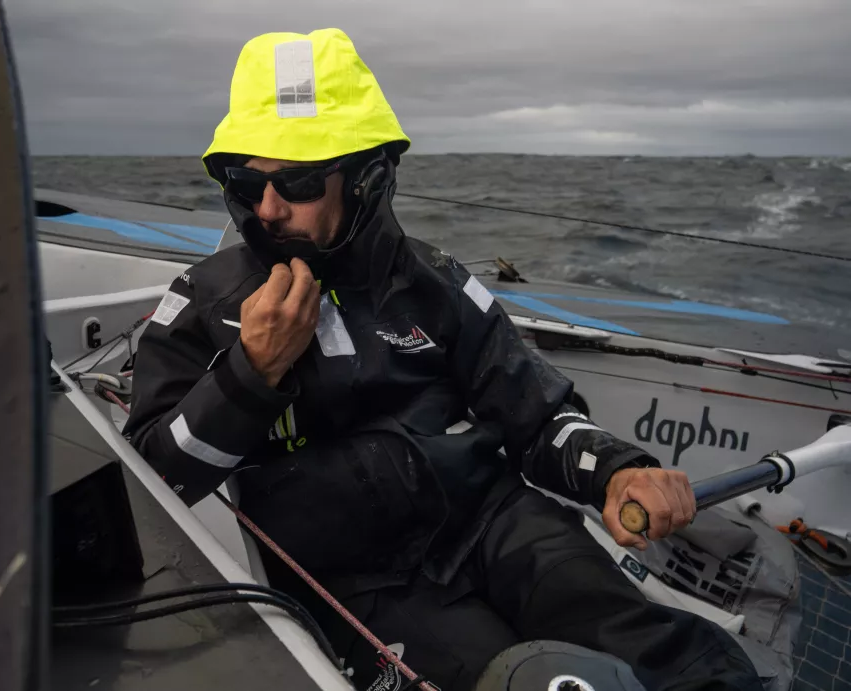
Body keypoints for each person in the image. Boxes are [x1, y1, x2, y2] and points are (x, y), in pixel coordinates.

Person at [124, 28, 763, 691]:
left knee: (675, 657)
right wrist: (249, 374)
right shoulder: (204, 302)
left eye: (300, 181)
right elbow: (153, 483)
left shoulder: (437, 283)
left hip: (496, 522)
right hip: (357, 581)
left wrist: (618, 471)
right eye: (246, 181)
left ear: (366, 178)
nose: (268, 207)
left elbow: (537, 418)